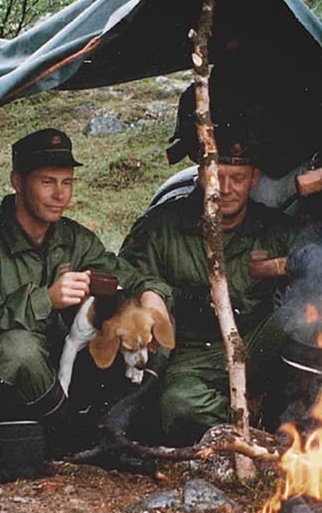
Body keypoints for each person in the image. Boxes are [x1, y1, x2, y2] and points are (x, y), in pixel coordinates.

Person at [0, 128, 170, 451]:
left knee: (149, 323)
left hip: (61, 372)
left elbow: (129, 276)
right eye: (47, 182)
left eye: (67, 183)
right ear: (17, 182)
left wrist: (152, 296)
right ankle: (71, 436)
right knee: (19, 348)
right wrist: (46, 299)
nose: (60, 195)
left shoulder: (74, 239)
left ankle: (117, 424)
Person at [119, 135, 299, 444]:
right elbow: (127, 275)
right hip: (192, 356)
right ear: (200, 174)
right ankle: (259, 425)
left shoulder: (274, 229)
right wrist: (153, 294)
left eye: (238, 179)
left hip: (255, 343)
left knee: (308, 312)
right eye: (216, 176)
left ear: (254, 179)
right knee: (179, 407)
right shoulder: (162, 227)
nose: (225, 190)